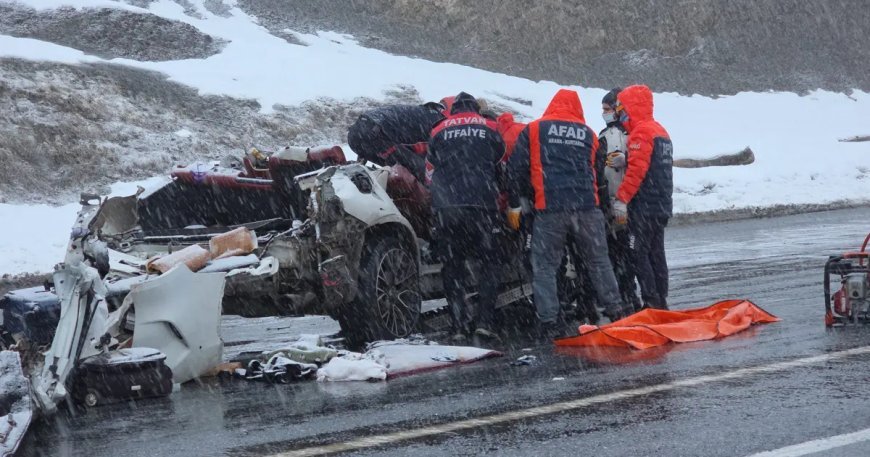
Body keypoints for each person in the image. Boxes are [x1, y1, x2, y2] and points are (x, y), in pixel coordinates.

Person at [507, 89, 630, 337]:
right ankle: (616, 310)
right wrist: (604, 210)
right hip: (587, 207)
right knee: (599, 261)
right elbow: (599, 176)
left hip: (550, 208)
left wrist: (515, 204)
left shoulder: (534, 129)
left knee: (545, 266)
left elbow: (516, 169)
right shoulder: (589, 134)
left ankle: (550, 320)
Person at [427, 92, 506, 341]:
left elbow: (430, 167)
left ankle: (458, 325)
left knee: (453, 266)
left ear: (454, 110)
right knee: (489, 263)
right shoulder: (490, 127)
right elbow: (500, 162)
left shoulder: (438, 129)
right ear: (475, 109)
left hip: (448, 208)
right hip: (482, 205)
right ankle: (484, 322)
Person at [612, 85, 673, 310]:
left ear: (630, 108)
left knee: (637, 252)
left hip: (644, 207)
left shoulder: (640, 133)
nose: (620, 116)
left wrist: (622, 199)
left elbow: (637, 172)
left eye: (622, 110)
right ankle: (661, 299)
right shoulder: (661, 131)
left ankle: (650, 300)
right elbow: (652, 164)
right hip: (661, 205)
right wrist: (629, 158)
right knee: (657, 253)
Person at [597, 88, 642, 311]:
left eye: (607, 109)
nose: (604, 113)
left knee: (623, 254)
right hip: (621, 202)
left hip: (622, 201)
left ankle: (626, 297)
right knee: (623, 254)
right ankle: (629, 297)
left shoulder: (621, 134)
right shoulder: (611, 135)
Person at [347, 102, 445, 169]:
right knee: (421, 172)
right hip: (375, 133)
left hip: (355, 135)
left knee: (392, 172)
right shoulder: (439, 120)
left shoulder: (420, 112)